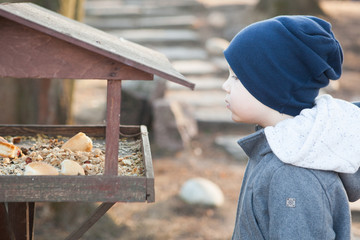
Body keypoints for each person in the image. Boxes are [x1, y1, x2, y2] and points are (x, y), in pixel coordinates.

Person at [222, 15, 360, 239]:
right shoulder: (277, 145)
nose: (225, 85)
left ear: (272, 87)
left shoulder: (291, 176)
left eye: (236, 77)